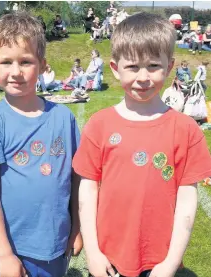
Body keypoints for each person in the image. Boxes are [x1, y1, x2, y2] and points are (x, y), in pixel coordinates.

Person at [73, 12, 211, 277]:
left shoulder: (186, 130)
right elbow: (87, 193)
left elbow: (187, 201)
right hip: (108, 259)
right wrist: (93, 251)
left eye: (153, 66)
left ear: (169, 67)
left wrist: (170, 263)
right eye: (133, 67)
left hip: (159, 263)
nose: (143, 77)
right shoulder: (99, 125)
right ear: (115, 69)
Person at [0, 12, 83, 277]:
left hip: (56, 246)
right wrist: (5, 255)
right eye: (6, 62)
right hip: (13, 249)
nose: (16, 72)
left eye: (26, 61)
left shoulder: (64, 118)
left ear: (43, 65)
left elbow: (77, 179)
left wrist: (77, 228)